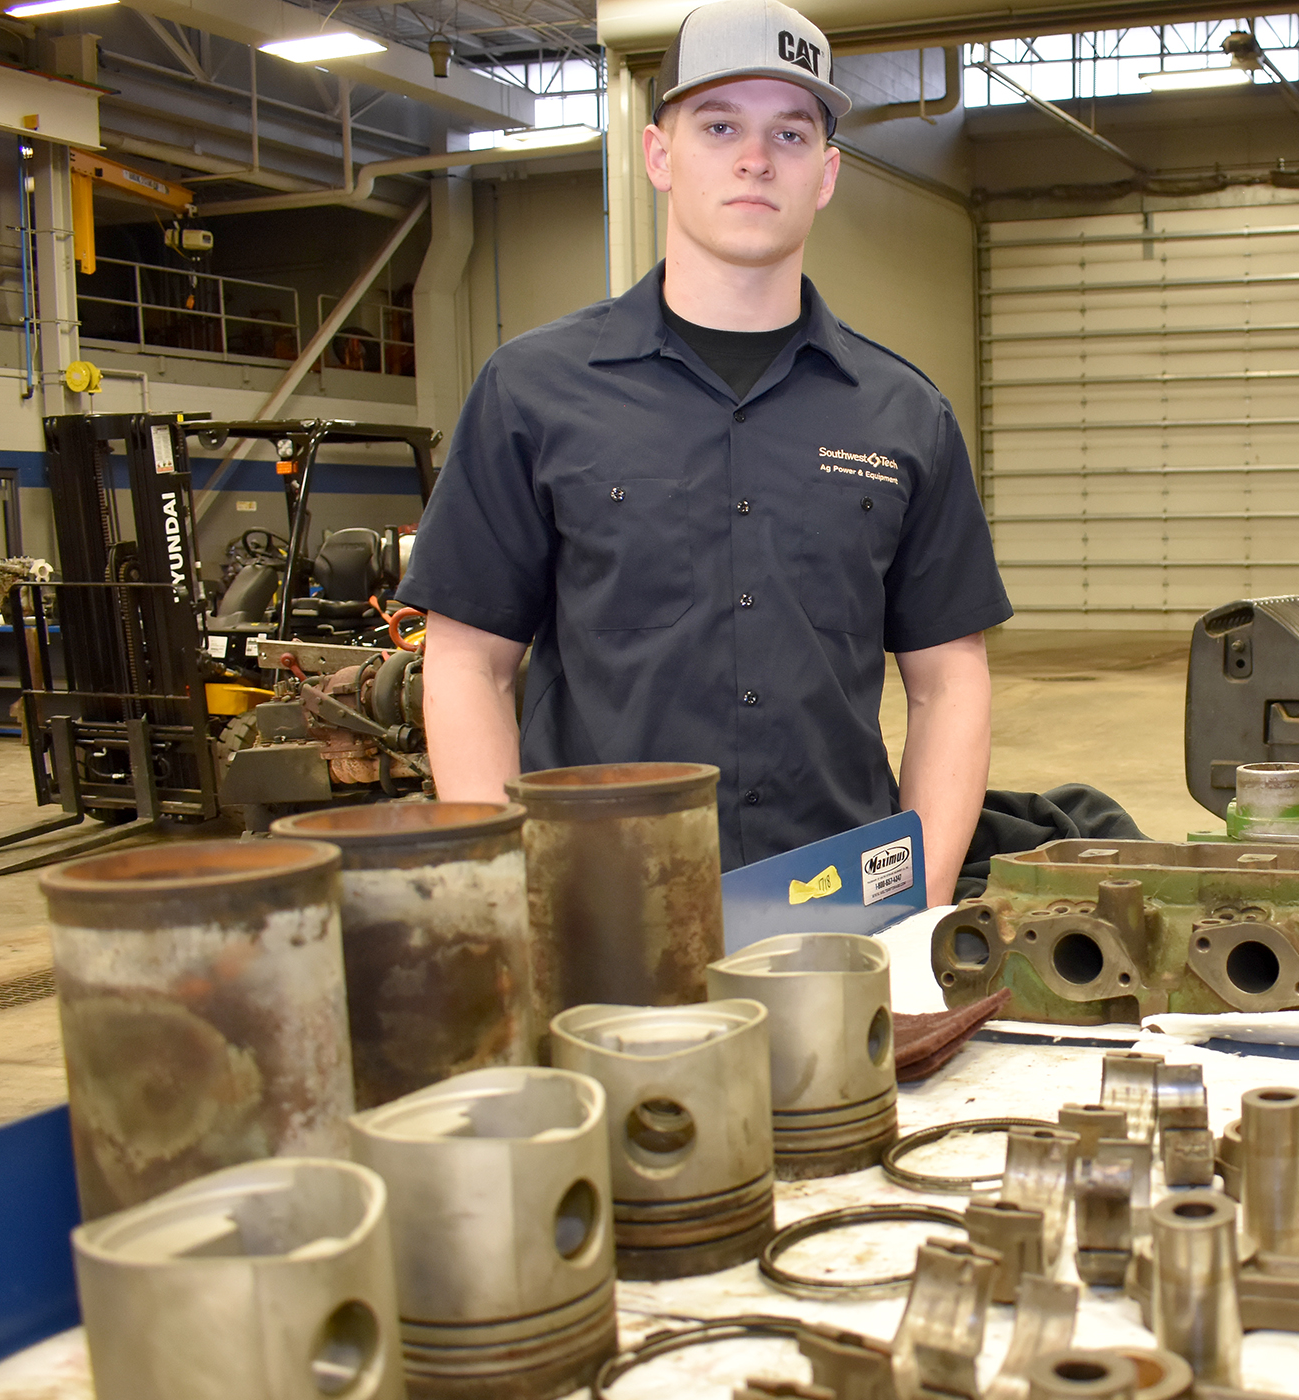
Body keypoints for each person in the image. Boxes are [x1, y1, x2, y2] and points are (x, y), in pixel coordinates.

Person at [399, 0, 1008, 905]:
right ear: (658, 155)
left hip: (839, 908)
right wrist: (507, 894)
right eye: (719, 125)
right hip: (601, 907)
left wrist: (918, 903)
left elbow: (949, 683)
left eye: (791, 134)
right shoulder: (532, 392)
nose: (755, 158)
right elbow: (466, 663)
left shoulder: (903, 414)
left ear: (828, 173)